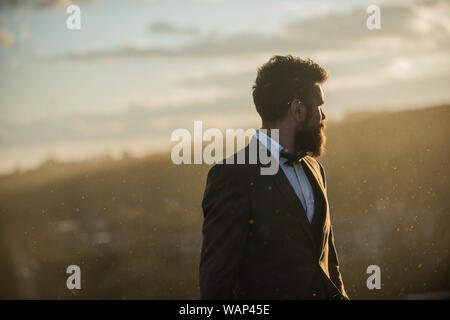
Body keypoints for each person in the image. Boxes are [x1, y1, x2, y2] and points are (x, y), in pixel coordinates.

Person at [199, 55, 348, 300]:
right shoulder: (232, 176)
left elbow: (328, 262)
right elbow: (216, 282)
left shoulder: (315, 169)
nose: (324, 117)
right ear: (298, 109)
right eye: (319, 106)